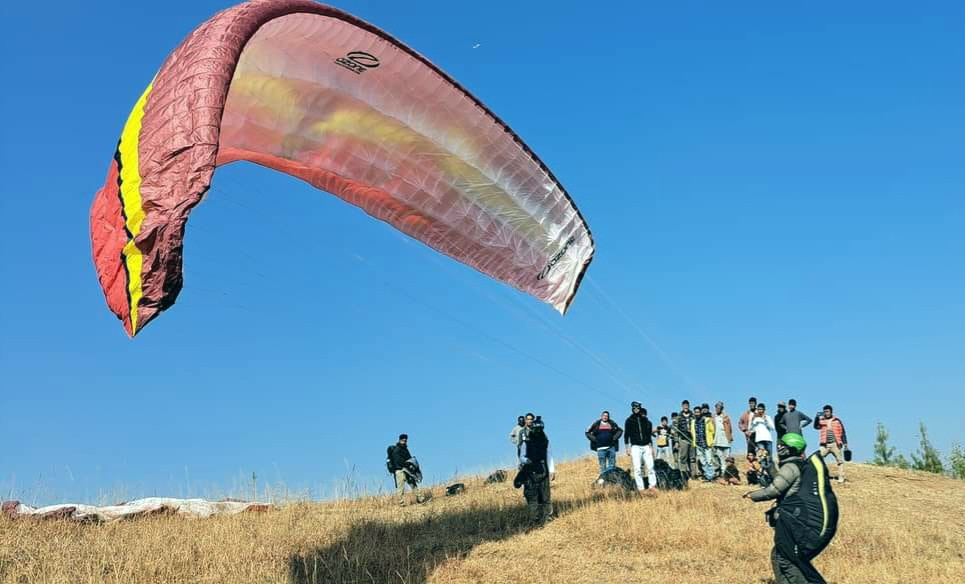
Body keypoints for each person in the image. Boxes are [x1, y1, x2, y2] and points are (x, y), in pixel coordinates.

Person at [744, 433, 839, 584]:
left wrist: (752, 495)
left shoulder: (791, 467)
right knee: (779, 554)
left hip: (796, 522)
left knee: (787, 560)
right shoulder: (798, 465)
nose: (779, 448)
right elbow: (781, 480)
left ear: (790, 449)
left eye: (782, 446)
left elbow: (774, 490)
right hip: (801, 521)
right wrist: (768, 464)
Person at [515, 416, 556, 522]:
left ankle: (547, 517)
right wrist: (525, 463)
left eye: (540, 428)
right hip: (531, 472)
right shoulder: (525, 440)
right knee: (532, 496)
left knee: (545, 496)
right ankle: (536, 519)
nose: (538, 430)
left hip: (543, 471)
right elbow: (522, 455)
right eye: (535, 428)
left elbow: (549, 454)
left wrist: (551, 470)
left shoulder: (545, 440)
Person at [624, 402, 657, 492]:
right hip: (635, 447)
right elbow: (626, 434)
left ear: (640, 408)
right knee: (637, 468)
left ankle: (652, 486)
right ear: (632, 408)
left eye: (637, 407)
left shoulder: (645, 420)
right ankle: (641, 488)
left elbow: (648, 434)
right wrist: (627, 447)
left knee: (650, 466)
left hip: (646, 446)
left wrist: (651, 446)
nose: (636, 409)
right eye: (634, 407)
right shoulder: (629, 420)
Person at [814, 404, 848, 483]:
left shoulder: (837, 420)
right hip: (825, 445)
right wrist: (816, 417)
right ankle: (819, 476)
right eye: (825, 411)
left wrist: (845, 443)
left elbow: (842, 432)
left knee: (839, 461)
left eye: (828, 411)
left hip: (835, 444)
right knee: (818, 458)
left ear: (831, 412)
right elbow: (816, 427)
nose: (826, 413)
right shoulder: (821, 420)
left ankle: (841, 478)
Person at [387, 434, 422, 506]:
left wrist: (411, 465)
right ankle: (401, 503)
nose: (404, 441)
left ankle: (420, 498)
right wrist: (407, 465)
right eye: (403, 440)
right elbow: (398, 461)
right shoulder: (397, 449)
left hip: (406, 469)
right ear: (400, 440)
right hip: (399, 470)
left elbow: (409, 459)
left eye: (405, 440)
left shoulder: (405, 449)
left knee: (413, 484)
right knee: (401, 487)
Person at [586, 411, 623, 477]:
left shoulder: (612, 424)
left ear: (608, 417)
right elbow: (587, 432)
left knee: (612, 465)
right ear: (601, 416)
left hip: (611, 447)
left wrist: (614, 438)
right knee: (603, 465)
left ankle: (611, 479)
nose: (605, 417)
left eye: (606, 416)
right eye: (604, 416)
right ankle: (604, 479)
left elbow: (620, 430)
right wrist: (595, 440)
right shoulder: (596, 424)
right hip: (600, 448)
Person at [674, 401, 696, 479]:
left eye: (687, 405)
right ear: (682, 406)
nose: (686, 407)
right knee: (683, 458)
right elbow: (676, 431)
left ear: (689, 406)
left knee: (692, 458)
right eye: (684, 405)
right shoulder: (679, 417)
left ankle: (693, 474)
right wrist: (676, 441)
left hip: (692, 440)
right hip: (683, 440)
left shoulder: (693, 416)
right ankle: (683, 474)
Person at [712, 401, 734, 478]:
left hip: (726, 441)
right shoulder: (713, 417)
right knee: (720, 459)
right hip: (717, 441)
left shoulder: (726, 417)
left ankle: (728, 474)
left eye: (719, 408)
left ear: (722, 408)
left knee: (727, 458)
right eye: (716, 407)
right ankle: (722, 474)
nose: (717, 409)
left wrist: (730, 437)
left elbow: (730, 428)